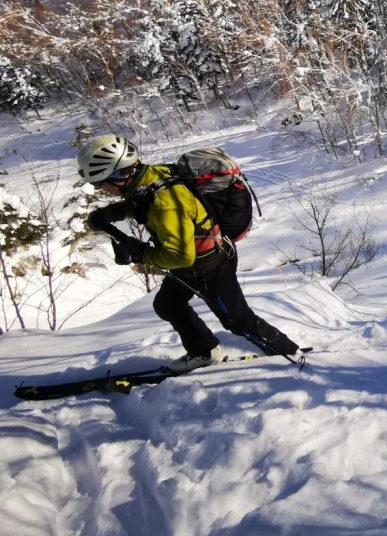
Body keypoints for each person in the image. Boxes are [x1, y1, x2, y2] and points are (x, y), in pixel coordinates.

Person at [77, 134, 300, 372]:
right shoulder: (152, 176)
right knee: (167, 305)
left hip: (209, 265)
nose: (100, 190)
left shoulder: (166, 203)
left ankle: (290, 353)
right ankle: (204, 351)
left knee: (238, 321)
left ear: (119, 176)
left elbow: (179, 256)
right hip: (194, 262)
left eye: (100, 183)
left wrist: (141, 255)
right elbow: (140, 203)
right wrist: (111, 213)